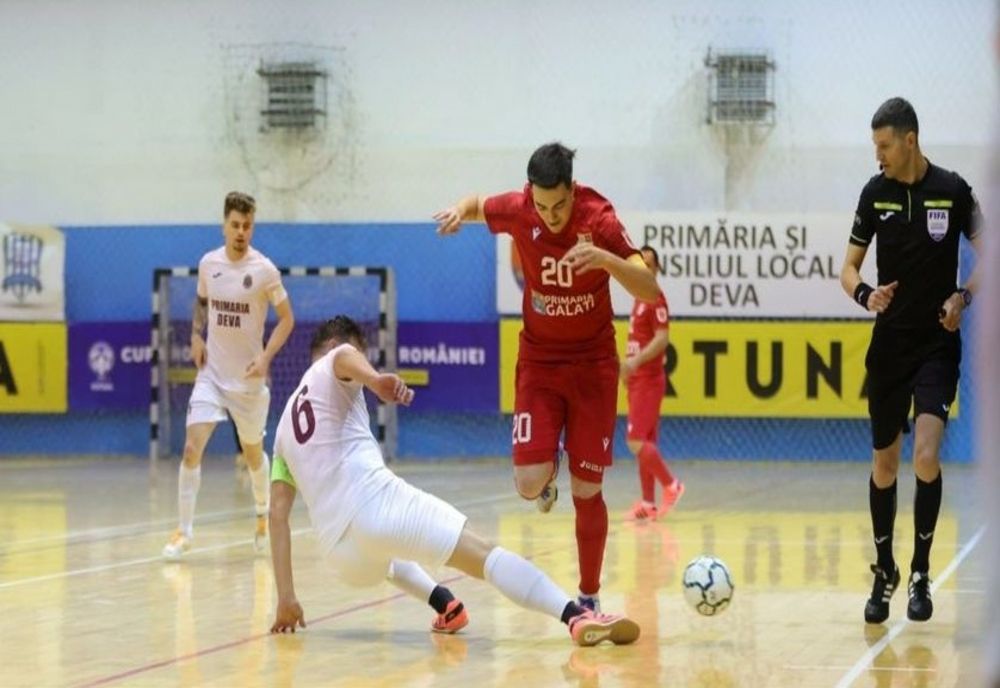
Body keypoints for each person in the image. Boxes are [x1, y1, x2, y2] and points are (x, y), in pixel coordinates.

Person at [267, 316, 641, 647]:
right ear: (332, 350)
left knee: (386, 549)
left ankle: (444, 603)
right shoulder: (336, 361)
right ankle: (575, 615)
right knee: (484, 554)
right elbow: (345, 355)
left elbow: (277, 516)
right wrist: (375, 380)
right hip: (373, 504)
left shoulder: (283, 428)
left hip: (343, 558)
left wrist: (287, 596)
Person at [433, 142, 659, 612]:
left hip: (593, 366)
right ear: (529, 194)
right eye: (541, 206)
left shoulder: (600, 219)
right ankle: (548, 464)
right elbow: (478, 205)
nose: (550, 216)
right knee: (528, 485)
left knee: (588, 489)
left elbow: (649, 289)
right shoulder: (519, 210)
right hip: (539, 362)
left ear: (573, 191)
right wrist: (458, 211)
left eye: (559, 206)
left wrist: (606, 260)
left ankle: (590, 596)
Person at [839, 97, 982, 624]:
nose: (877, 155)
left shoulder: (953, 189)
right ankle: (885, 571)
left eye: (883, 145)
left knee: (925, 455)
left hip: (937, 344)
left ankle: (920, 572)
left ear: (909, 141)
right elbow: (848, 268)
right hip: (890, 347)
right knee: (884, 464)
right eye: (875, 146)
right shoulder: (874, 194)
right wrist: (866, 295)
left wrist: (963, 297)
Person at [162, 191, 295, 560]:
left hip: (249, 382)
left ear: (253, 227)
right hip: (212, 376)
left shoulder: (265, 270)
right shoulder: (209, 264)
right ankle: (184, 532)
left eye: (247, 225)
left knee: (254, 456)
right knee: (191, 448)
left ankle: (261, 515)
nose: (241, 231)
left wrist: (267, 356)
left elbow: (287, 319)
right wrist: (194, 334)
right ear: (224, 225)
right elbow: (203, 301)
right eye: (235, 225)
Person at [621, 245, 684, 521]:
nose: (643, 268)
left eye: (649, 264)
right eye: (640, 263)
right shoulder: (638, 296)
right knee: (646, 444)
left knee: (635, 441)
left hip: (648, 379)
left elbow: (662, 338)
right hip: (636, 380)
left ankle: (672, 485)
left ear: (657, 269)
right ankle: (648, 503)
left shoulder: (655, 297)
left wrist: (635, 363)